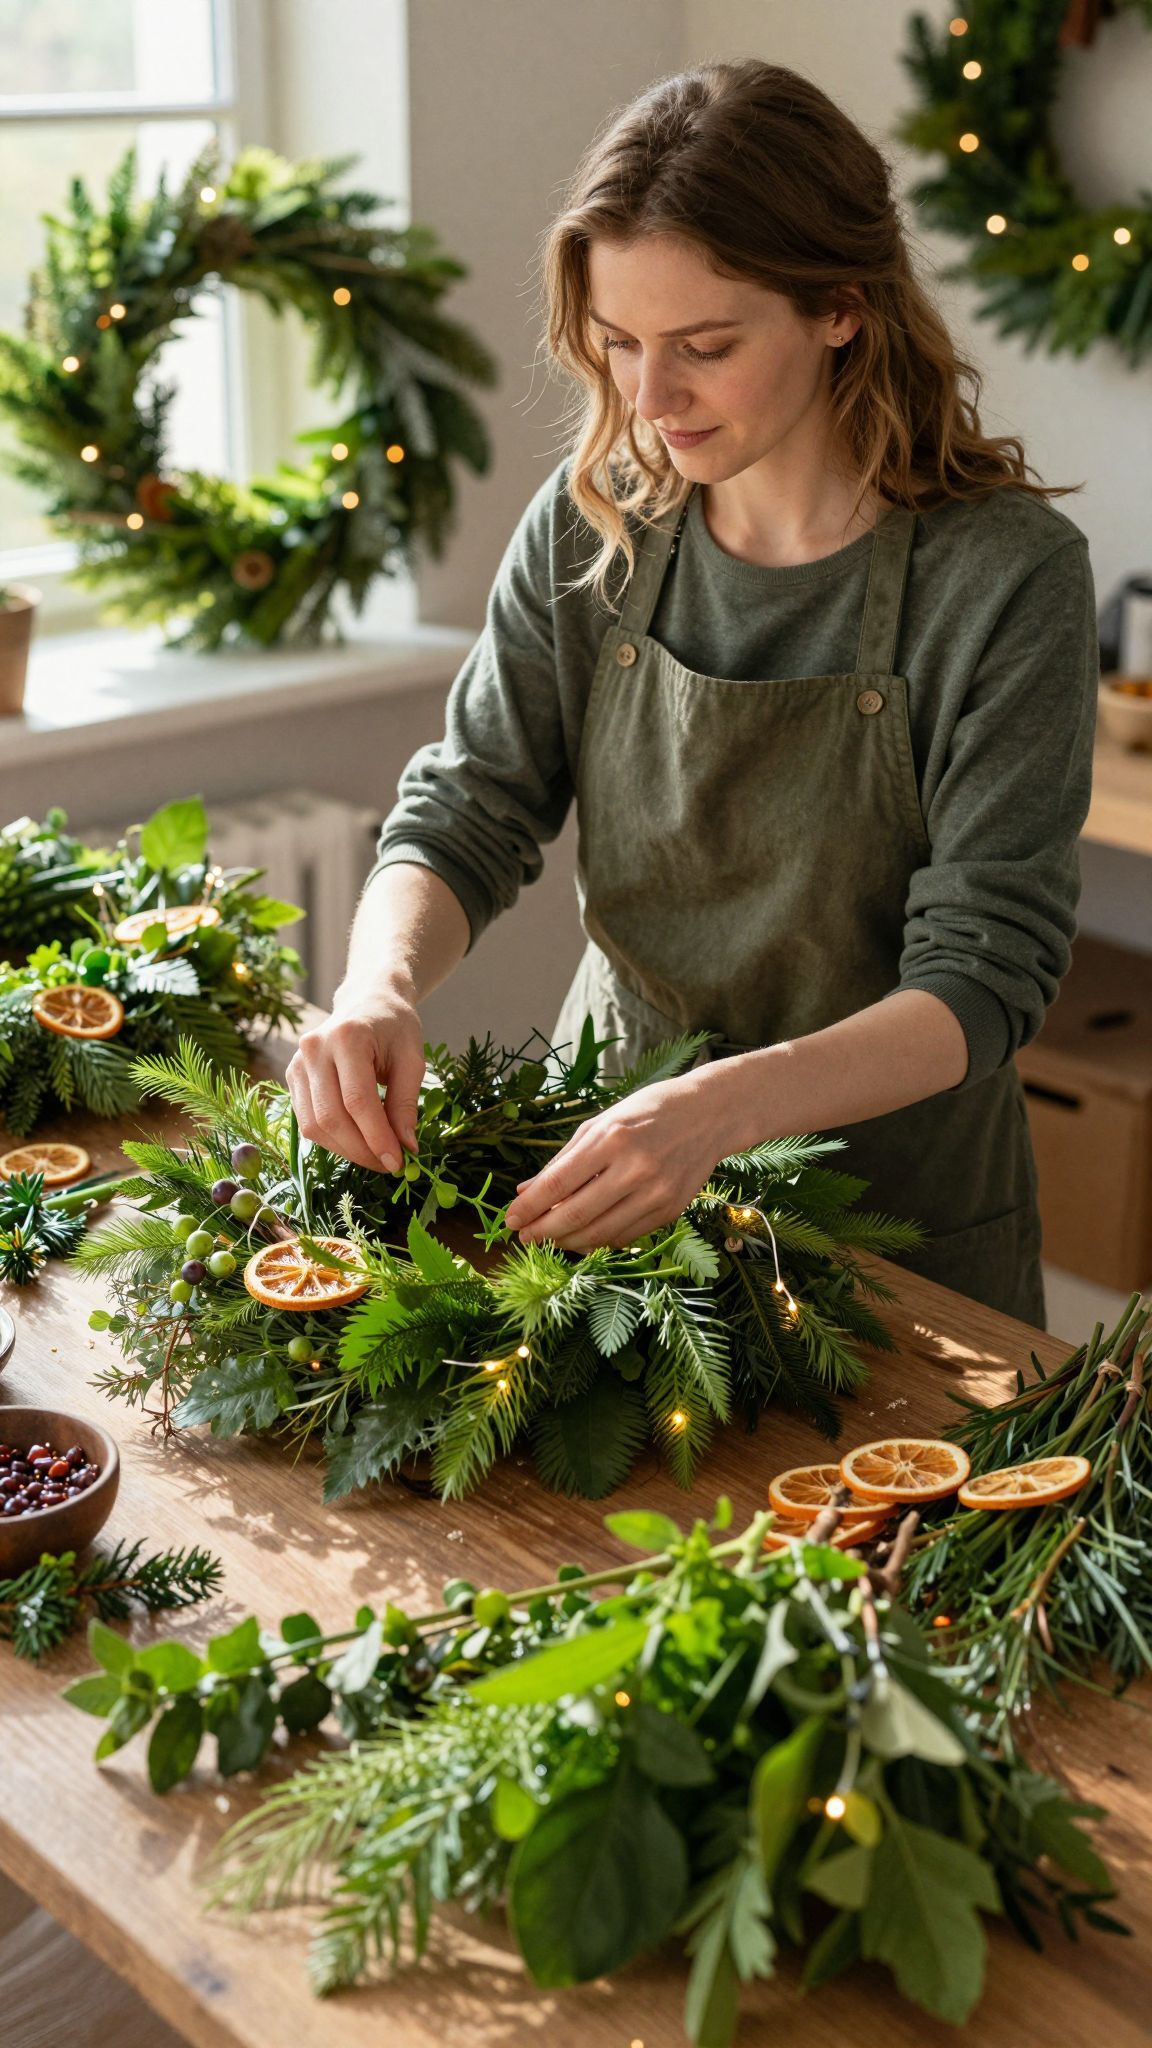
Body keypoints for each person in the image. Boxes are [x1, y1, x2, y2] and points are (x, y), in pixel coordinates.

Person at [286, 59, 1100, 1329]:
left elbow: (985, 977)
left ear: (840, 307)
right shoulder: (594, 520)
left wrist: (719, 1111)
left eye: (704, 348)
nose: (648, 403)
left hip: (899, 1241)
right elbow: (468, 806)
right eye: (618, 345)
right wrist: (379, 986)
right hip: (613, 1208)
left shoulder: (1004, 578)